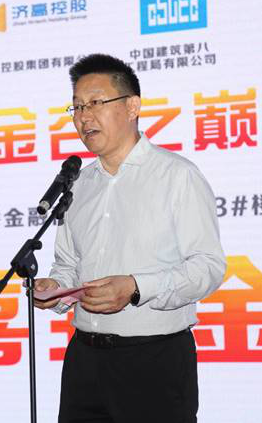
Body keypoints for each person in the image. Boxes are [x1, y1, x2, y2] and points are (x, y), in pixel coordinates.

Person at [32, 53, 226, 423]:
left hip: (154, 361)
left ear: (133, 106)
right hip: (84, 360)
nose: (84, 117)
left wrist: (136, 288)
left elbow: (208, 267)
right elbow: (69, 264)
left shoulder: (176, 176)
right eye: (76, 107)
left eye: (95, 103)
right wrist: (56, 288)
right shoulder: (79, 186)